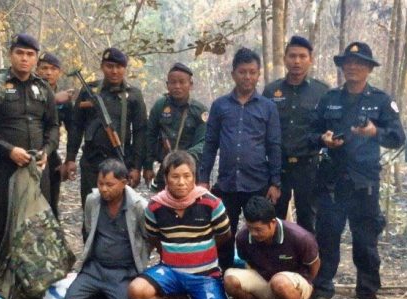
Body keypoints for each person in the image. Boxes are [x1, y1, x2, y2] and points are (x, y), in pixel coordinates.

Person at [307, 42, 405, 299]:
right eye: (348, 63)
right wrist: (324, 139)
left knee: (365, 241)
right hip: (331, 181)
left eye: (359, 63)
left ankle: (368, 293)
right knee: (327, 237)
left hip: (364, 183)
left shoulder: (381, 100)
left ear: (369, 68)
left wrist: (375, 132)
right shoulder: (329, 98)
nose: (352, 67)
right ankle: (323, 289)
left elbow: (398, 137)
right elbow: (311, 134)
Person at [0, 34, 59, 265]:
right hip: (6, 165)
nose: (24, 58)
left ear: (36, 59)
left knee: (40, 221)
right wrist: (9, 150)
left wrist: (47, 151)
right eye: (20, 53)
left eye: (30, 54)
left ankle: (37, 273)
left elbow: (53, 125)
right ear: (11, 54)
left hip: (37, 166)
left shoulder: (43, 88)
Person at [129, 151, 232, 299]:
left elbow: (224, 235)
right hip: (171, 272)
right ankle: (177, 298)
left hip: (205, 275)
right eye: (175, 176)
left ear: (194, 178)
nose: (181, 182)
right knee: (136, 291)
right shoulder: (155, 206)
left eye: (187, 176)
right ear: (166, 178)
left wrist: (201, 253)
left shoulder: (211, 203)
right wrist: (173, 256)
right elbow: (154, 237)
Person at [198, 47, 282, 271]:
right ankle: (223, 278)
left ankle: (260, 279)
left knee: (259, 234)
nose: (247, 77)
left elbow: (274, 145)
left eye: (252, 72)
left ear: (258, 74)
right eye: (243, 72)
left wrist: (275, 183)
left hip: (258, 183)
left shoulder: (268, 107)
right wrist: (203, 180)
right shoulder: (220, 106)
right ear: (233, 74)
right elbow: (210, 144)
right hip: (227, 184)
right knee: (224, 233)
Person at [61, 159, 150, 299]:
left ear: (124, 183)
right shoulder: (92, 201)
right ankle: (105, 297)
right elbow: (89, 230)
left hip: (124, 273)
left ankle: (120, 298)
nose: (103, 189)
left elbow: (148, 238)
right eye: (100, 183)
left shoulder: (139, 206)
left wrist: (140, 270)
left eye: (109, 184)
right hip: (96, 269)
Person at [61, 47, 148, 207]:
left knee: (120, 210)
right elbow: (76, 126)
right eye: (109, 66)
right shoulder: (89, 91)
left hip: (121, 161)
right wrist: (70, 158)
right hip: (92, 161)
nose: (114, 71)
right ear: (102, 67)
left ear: (125, 68)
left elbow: (140, 132)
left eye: (119, 67)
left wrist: (136, 167)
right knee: (91, 208)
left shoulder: (133, 95)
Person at [263, 36, 329, 234]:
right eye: (292, 56)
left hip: (308, 166)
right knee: (273, 220)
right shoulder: (271, 90)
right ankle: (276, 255)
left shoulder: (322, 91)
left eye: (302, 56)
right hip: (278, 167)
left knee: (307, 221)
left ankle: (307, 255)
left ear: (311, 59)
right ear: (285, 59)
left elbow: (327, 128)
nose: (297, 61)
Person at [224, 196, 320, 299]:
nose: (254, 233)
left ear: (272, 223)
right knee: (229, 279)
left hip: (294, 284)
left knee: (279, 281)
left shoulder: (300, 237)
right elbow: (247, 261)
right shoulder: (243, 237)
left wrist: (307, 284)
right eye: (250, 228)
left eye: (258, 229)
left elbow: (314, 265)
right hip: (266, 281)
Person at [144, 62, 208, 191]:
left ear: (190, 84)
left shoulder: (199, 110)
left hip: (190, 172)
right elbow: (150, 136)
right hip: (165, 170)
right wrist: (148, 166)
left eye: (182, 82)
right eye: (173, 82)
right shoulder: (160, 106)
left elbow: (203, 142)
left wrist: (184, 158)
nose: (177, 86)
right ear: (167, 85)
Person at [36, 52, 76, 220]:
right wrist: (54, 99)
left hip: (50, 154)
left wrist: (68, 161)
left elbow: (73, 130)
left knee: (51, 206)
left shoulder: (64, 100)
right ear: (37, 70)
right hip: (28, 152)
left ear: (59, 72)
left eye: (53, 69)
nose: (48, 73)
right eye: (44, 68)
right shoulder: (29, 92)